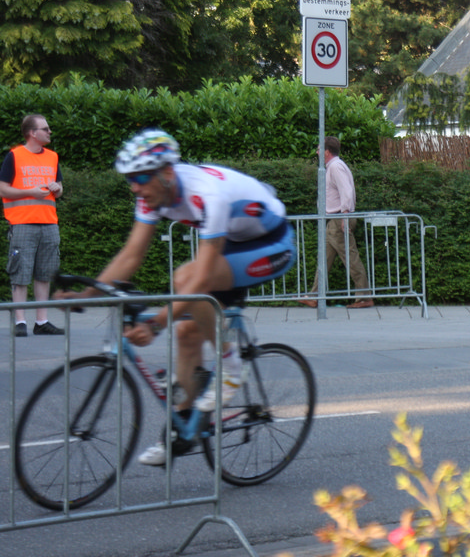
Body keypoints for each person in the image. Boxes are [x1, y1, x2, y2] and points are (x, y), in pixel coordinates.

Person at [57, 129, 296, 465]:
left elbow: (200, 279)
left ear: (167, 172)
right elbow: (131, 254)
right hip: (234, 243)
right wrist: (88, 294)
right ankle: (182, 431)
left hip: (272, 244)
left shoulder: (207, 194)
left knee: (185, 278)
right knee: (186, 331)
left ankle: (231, 365)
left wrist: (156, 324)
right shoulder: (151, 194)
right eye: (130, 179)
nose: (135, 187)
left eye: (141, 177)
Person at [0, 114, 65, 337]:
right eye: (45, 129)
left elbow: (60, 189)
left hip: (49, 222)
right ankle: (20, 322)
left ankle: (41, 321)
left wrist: (57, 188)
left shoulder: (53, 157)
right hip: (22, 222)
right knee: (20, 273)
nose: (49, 132)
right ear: (32, 133)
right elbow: (2, 189)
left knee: (45, 273)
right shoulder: (14, 156)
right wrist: (30, 192)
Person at [301, 136, 373, 308]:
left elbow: (346, 191)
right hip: (336, 218)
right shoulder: (334, 167)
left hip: (339, 218)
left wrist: (345, 216)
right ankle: (315, 295)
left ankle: (364, 297)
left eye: (319, 149)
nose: (317, 152)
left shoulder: (335, 167)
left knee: (350, 258)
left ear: (326, 152)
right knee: (325, 259)